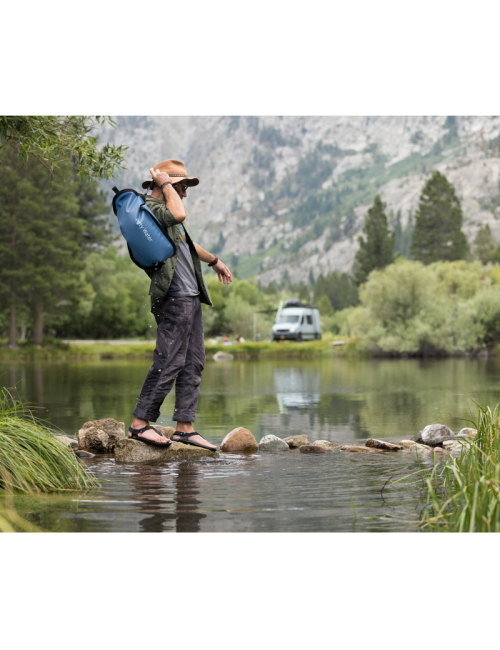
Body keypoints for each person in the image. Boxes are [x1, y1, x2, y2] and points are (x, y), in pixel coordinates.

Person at [128, 159, 232, 452]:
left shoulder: (167, 216)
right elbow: (180, 212)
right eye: (182, 186)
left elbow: (187, 243)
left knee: (193, 360)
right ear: (166, 185)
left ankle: (184, 429)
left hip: (190, 295)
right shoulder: (153, 209)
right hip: (173, 296)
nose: (185, 193)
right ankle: (139, 425)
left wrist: (214, 261)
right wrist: (163, 183)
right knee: (169, 360)